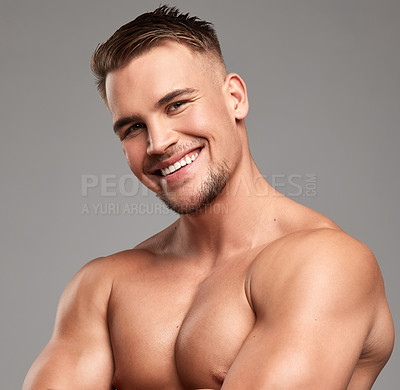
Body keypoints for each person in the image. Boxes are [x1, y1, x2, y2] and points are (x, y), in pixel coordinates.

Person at [23, 5, 394, 390]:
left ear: (234, 97)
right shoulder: (102, 288)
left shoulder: (325, 264)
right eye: (133, 127)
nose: (158, 142)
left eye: (176, 105)